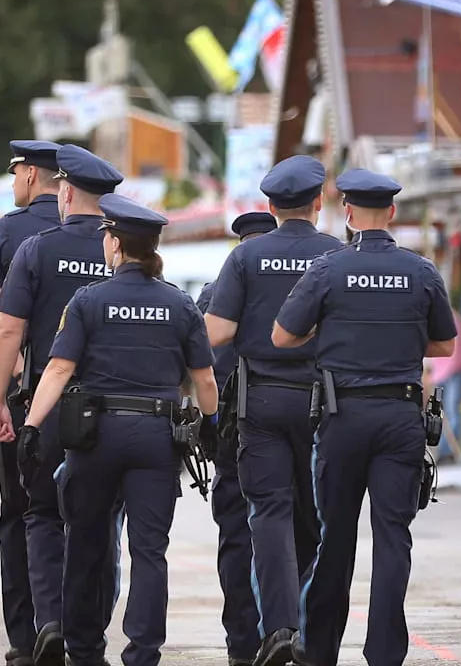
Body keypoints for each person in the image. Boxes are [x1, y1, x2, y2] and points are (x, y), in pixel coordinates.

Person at [11, 192, 219, 666]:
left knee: (85, 542)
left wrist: (31, 426)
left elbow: (59, 370)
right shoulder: (179, 304)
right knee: (150, 551)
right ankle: (143, 652)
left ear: (115, 245)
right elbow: (204, 379)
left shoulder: (88, 300)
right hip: (156, 439)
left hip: (94, 436)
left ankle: (84, 650)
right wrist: (210, 425)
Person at [272, 169, 457, 666]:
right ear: (392, 213)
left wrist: (329, 334)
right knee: (393, 537)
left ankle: (320, 650)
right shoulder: (421, 271)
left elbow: (281, 337)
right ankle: (384, 655)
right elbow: (444, 344)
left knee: (336, 537)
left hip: (343, 416)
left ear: (349, 214)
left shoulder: (328, 270)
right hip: (400, 417)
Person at [0, 144, 121, 666]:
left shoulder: (33, 248)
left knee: (41, 513)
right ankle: (91, 635)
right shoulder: (124, 246)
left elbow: (8, 327)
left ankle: (49, 625)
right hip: (111, 406)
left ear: (64, 192)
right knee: (101, 521)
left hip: (47, 400)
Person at [206, 156, 343, 666]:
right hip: (321, 403)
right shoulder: (336, 254)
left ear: (269, 206)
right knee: (314, 521)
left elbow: (216, 333)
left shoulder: (246, 258)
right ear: (317, 202)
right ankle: (304, 627)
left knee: (267, 512)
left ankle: (280, 627)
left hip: (260, 399)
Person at [0, 139, 62, 666]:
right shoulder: (98, 232)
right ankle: (76, 627)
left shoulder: (2, 232)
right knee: (84, 513)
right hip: (88, 397)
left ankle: (26, 639)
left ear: (28, 175)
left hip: (23, 393)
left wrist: (15, 379)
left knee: (20, 509)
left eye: (14, 174)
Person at [193, 210, 275, 665]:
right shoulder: (297, 286)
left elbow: (201, 369)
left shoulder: (213, 296)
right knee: (289, 533)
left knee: (236, 539)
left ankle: (241, 644)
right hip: (289, 427)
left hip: (230, 437)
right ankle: (283, 630)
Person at [423, 309, 461, 460]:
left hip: (454, 372)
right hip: (443, 372)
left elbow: (454, 350)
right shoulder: (439, 317)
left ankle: (448, 452)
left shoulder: (449, 318)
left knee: (451, 411)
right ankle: (445, 450)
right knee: (442, 413)